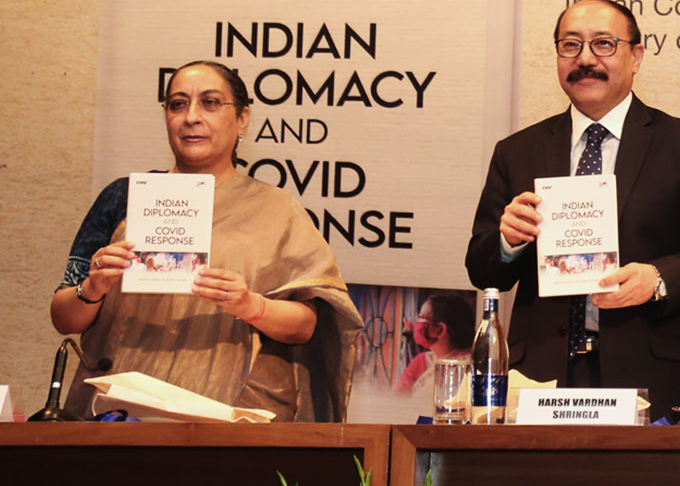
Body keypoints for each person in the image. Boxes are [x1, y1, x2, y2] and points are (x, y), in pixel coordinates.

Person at [465, 0, 680, 415]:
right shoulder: (518, 151)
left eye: (604, 45)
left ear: (637, 56)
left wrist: (658, 278)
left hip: (646, 372)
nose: (586, 59)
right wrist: (507, 242)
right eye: (570, 45)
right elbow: (483, 270)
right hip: (538, 371)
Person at [49, 61, 363, 422]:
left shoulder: (278, 211)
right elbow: (63, 316)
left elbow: (305, 326)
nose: (191, 117)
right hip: (117, 411)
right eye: (178, 104)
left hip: (230, 418)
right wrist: (93, 288)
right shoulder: (125, 197)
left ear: (243, 118)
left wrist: (250, 305)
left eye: (211, 103)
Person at [394, 292, 476, 394]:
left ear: (440, 329)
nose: (416, 323)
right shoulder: (422, 361)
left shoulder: (466, 367)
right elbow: (397, 398)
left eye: (422, 317)